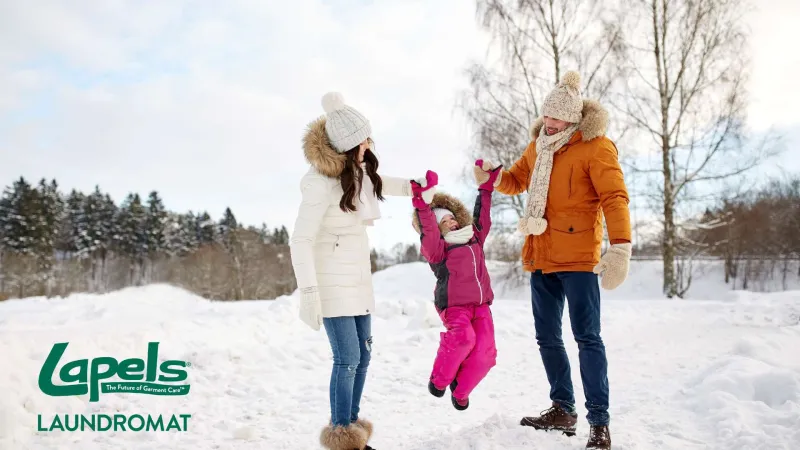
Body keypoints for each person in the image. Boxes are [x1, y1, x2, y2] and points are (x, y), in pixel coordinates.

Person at [488, 71, 632, 450]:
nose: (549, 123)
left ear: (573, 119)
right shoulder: (539, 146)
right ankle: (563, 408)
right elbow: (517, 180)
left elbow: (615, 198)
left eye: (556, 118)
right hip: (541, 255)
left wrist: (620, 246)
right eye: (546, 116)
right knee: (547, 337)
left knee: (587, 339)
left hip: (580, 261)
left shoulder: (597, 147)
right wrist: (492, 176)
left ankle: (598, 422)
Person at [289, 92, 431, 450]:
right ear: (349, 145)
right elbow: (300, 240)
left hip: (357, 276)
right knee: (347, 358)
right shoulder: (319, 183)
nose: (369, 143)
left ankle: (351, 429)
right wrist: (308, 293)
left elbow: (382, 182)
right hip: (330, 283)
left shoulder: (357, 170)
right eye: (364, 139)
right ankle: (341, 432)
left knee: (363, 356)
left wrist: (415, 186)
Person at [410, 161, 502, 411]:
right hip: (454, 306)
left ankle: (461, 389)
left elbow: (482, 215)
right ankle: (438, 380)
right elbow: (428, 230)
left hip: (481, 305)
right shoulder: (438, 249)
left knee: (486, 354)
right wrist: (422, 203)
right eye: (444, 221)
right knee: (463, 339)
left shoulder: (474, 237)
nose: (450, 222)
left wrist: (486, 187)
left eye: (451, 218)